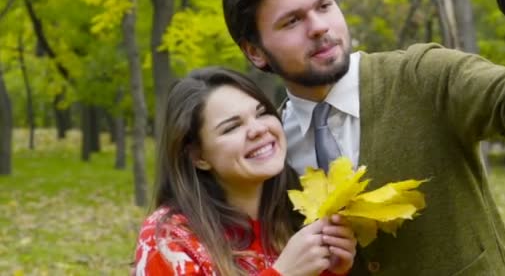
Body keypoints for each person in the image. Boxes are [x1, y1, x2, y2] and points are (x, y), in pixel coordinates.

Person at [221, 0, 505, 275]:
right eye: (292, 21)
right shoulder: (267, 154)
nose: (319, 27)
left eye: (324, 6)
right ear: (255, 51)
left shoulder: (422, 76)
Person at [132, 67, 357, 275]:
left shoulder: (302, 217)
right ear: (199, 157)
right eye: (232, 127)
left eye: (261, 113)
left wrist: (331, 271)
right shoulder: (169, 237)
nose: (258, 129)